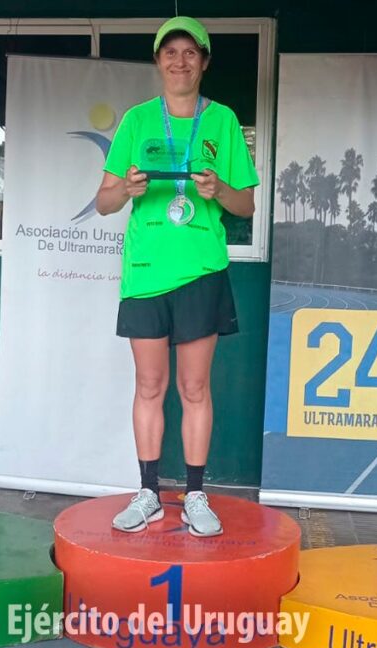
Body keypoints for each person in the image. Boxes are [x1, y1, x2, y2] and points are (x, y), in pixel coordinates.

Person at [95, 17, 259, 537]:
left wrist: (219, 191)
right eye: (171, 52)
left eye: (191, 52)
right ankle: (148, 492)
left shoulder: (223, 121)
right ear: (158, 61)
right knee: (149, 385)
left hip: (201, 272)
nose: (180, 61)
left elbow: (247, 204)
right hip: (145, 275)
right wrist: (126, 190)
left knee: (194, 386)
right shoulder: (137, 121)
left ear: (204, 62)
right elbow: (103, 202)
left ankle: (194, 495)